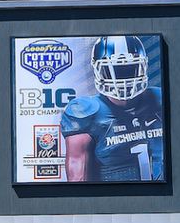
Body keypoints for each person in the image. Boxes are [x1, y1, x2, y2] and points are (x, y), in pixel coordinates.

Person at [60, 36, 166, 182]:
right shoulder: (86, 112)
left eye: (130, 68)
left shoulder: (160, 99)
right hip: (116, 202)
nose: (123, 80)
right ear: (99, 70)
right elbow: (79, 183)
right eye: (114, 70)